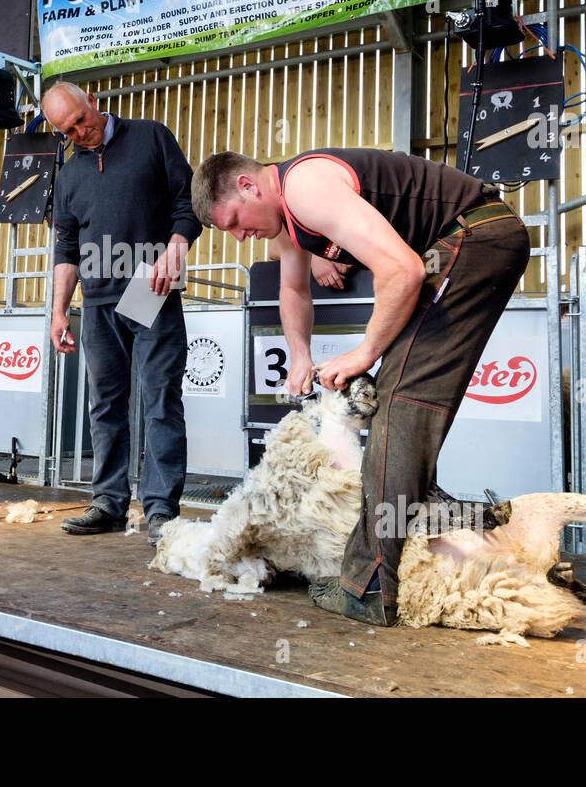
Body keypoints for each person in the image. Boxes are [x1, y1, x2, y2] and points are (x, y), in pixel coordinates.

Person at [192, 148, 530, 625]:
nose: (241, 236)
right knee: (403, 395)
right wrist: (301, 357)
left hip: (473, 235)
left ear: (249, 186)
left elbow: (404, 270)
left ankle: (370, 586)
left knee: (402, 402)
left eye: (235, 222)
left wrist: (364, 352)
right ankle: (423, 534)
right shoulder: (288, 222)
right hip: (469, 239)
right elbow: (293, 290)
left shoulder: (305, 188)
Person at [42, 82, 201, 545]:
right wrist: (58, 312)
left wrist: (176, 248)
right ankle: (109, 503)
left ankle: (160, 511)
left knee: (160, 400)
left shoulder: (151, 137)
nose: (80, 132)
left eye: (81, 120)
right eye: (67, 131)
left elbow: (187, 200)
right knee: (105, 405)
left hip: (149, 288)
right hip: (97, 301)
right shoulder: (69, 175)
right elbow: (66, 248)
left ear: (92, 100)